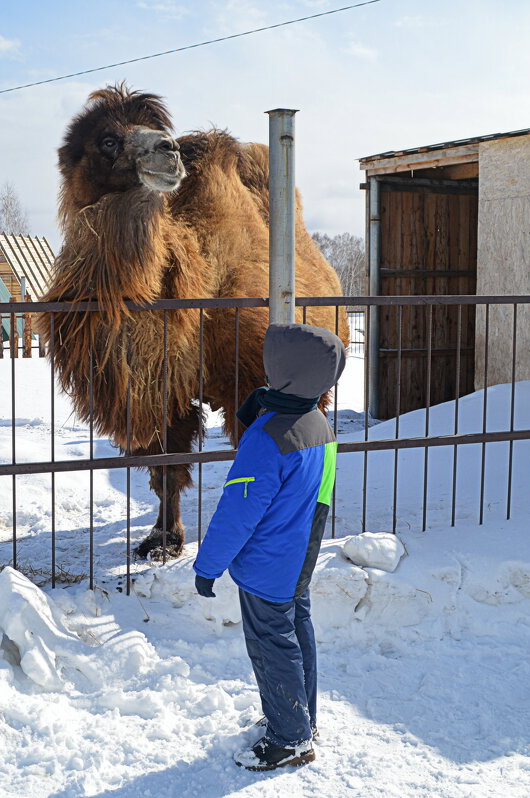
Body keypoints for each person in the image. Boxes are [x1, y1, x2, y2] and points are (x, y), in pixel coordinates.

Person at [192, 322, 345, 771]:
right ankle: (302, 721)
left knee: (271, 644)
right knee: (297, 635)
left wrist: (208, 566)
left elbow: (237, 513)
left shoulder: (265, 438)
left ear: (286, 371)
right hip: (298, 558)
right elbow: (320, 498)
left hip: (266, 566)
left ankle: (289, 738)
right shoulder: (320, 426)